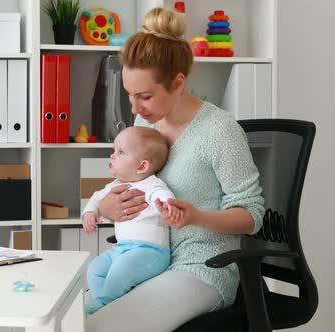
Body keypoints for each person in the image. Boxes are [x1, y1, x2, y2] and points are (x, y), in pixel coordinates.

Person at [85, 7, 265, 331]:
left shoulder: (219, 131)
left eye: (145, 97)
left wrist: (196, 216)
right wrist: (110, 207)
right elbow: (131, 183)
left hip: (203, 268)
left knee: (101, 327)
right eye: (129, 95)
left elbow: (252, 216)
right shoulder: (145, 123)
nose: (134, 108)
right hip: (150, 262)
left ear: (178, 83)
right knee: (73, 315)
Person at [82, 126, 183, 315]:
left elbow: (160, 195)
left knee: (119, 270)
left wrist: (167, 204)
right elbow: (96, 199)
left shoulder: (151, 184)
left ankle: (101, 305)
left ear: (142, 166)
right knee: (95, 268)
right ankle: (102, 302)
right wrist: (89, 213)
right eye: (113, 151)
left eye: (120, 152)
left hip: (150, 252)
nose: (112, 155)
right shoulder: (114, 186)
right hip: (122, 249)